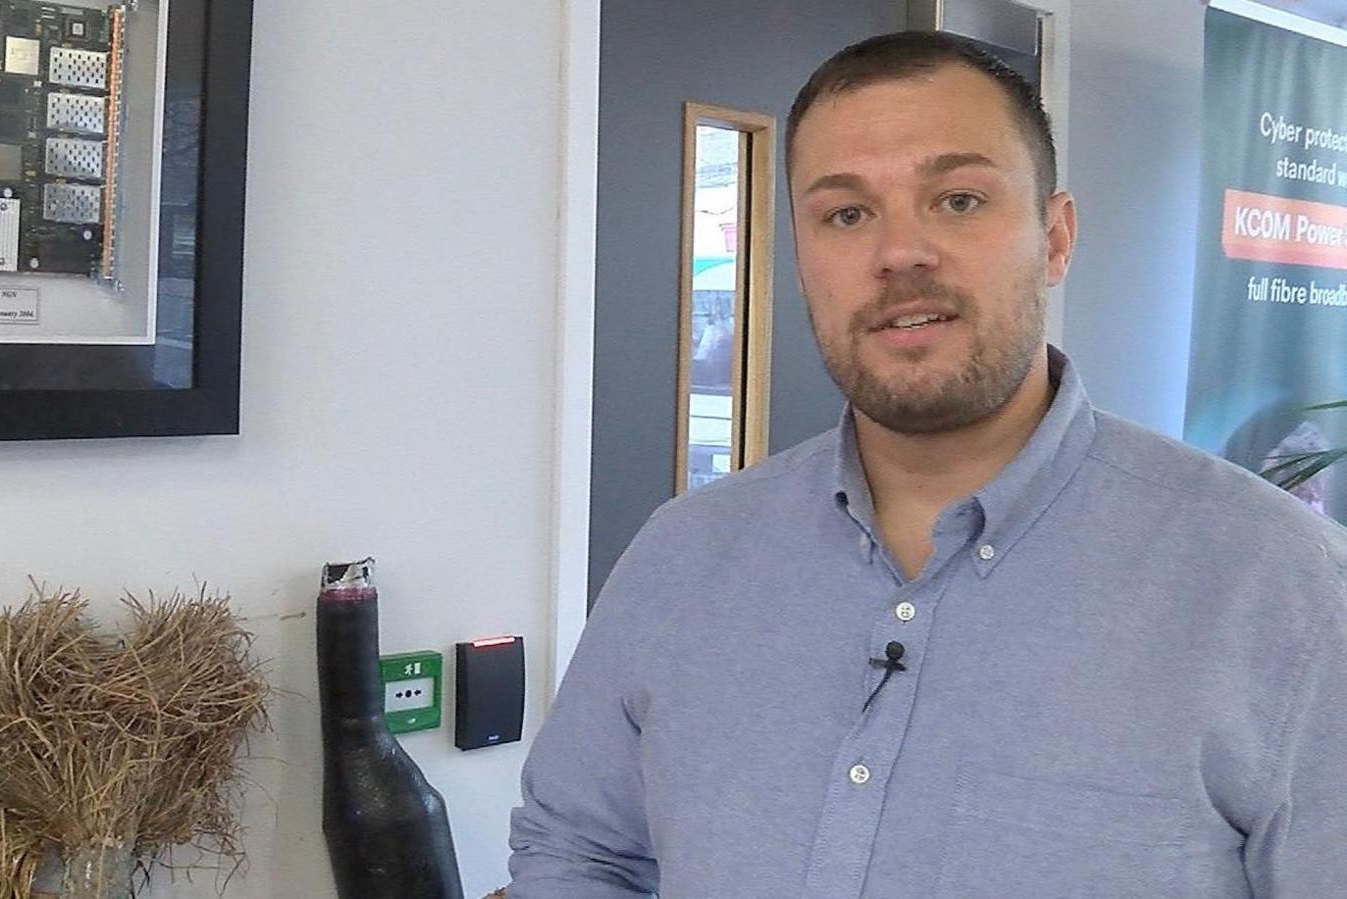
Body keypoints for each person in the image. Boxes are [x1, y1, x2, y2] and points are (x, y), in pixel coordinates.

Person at [506, 31, 1347, 898]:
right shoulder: (682, 556)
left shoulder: (1283, 593)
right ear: (802, 260)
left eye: (957, 199)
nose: (900, 252)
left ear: (1054, 237)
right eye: (846, 213)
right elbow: (579, 850)